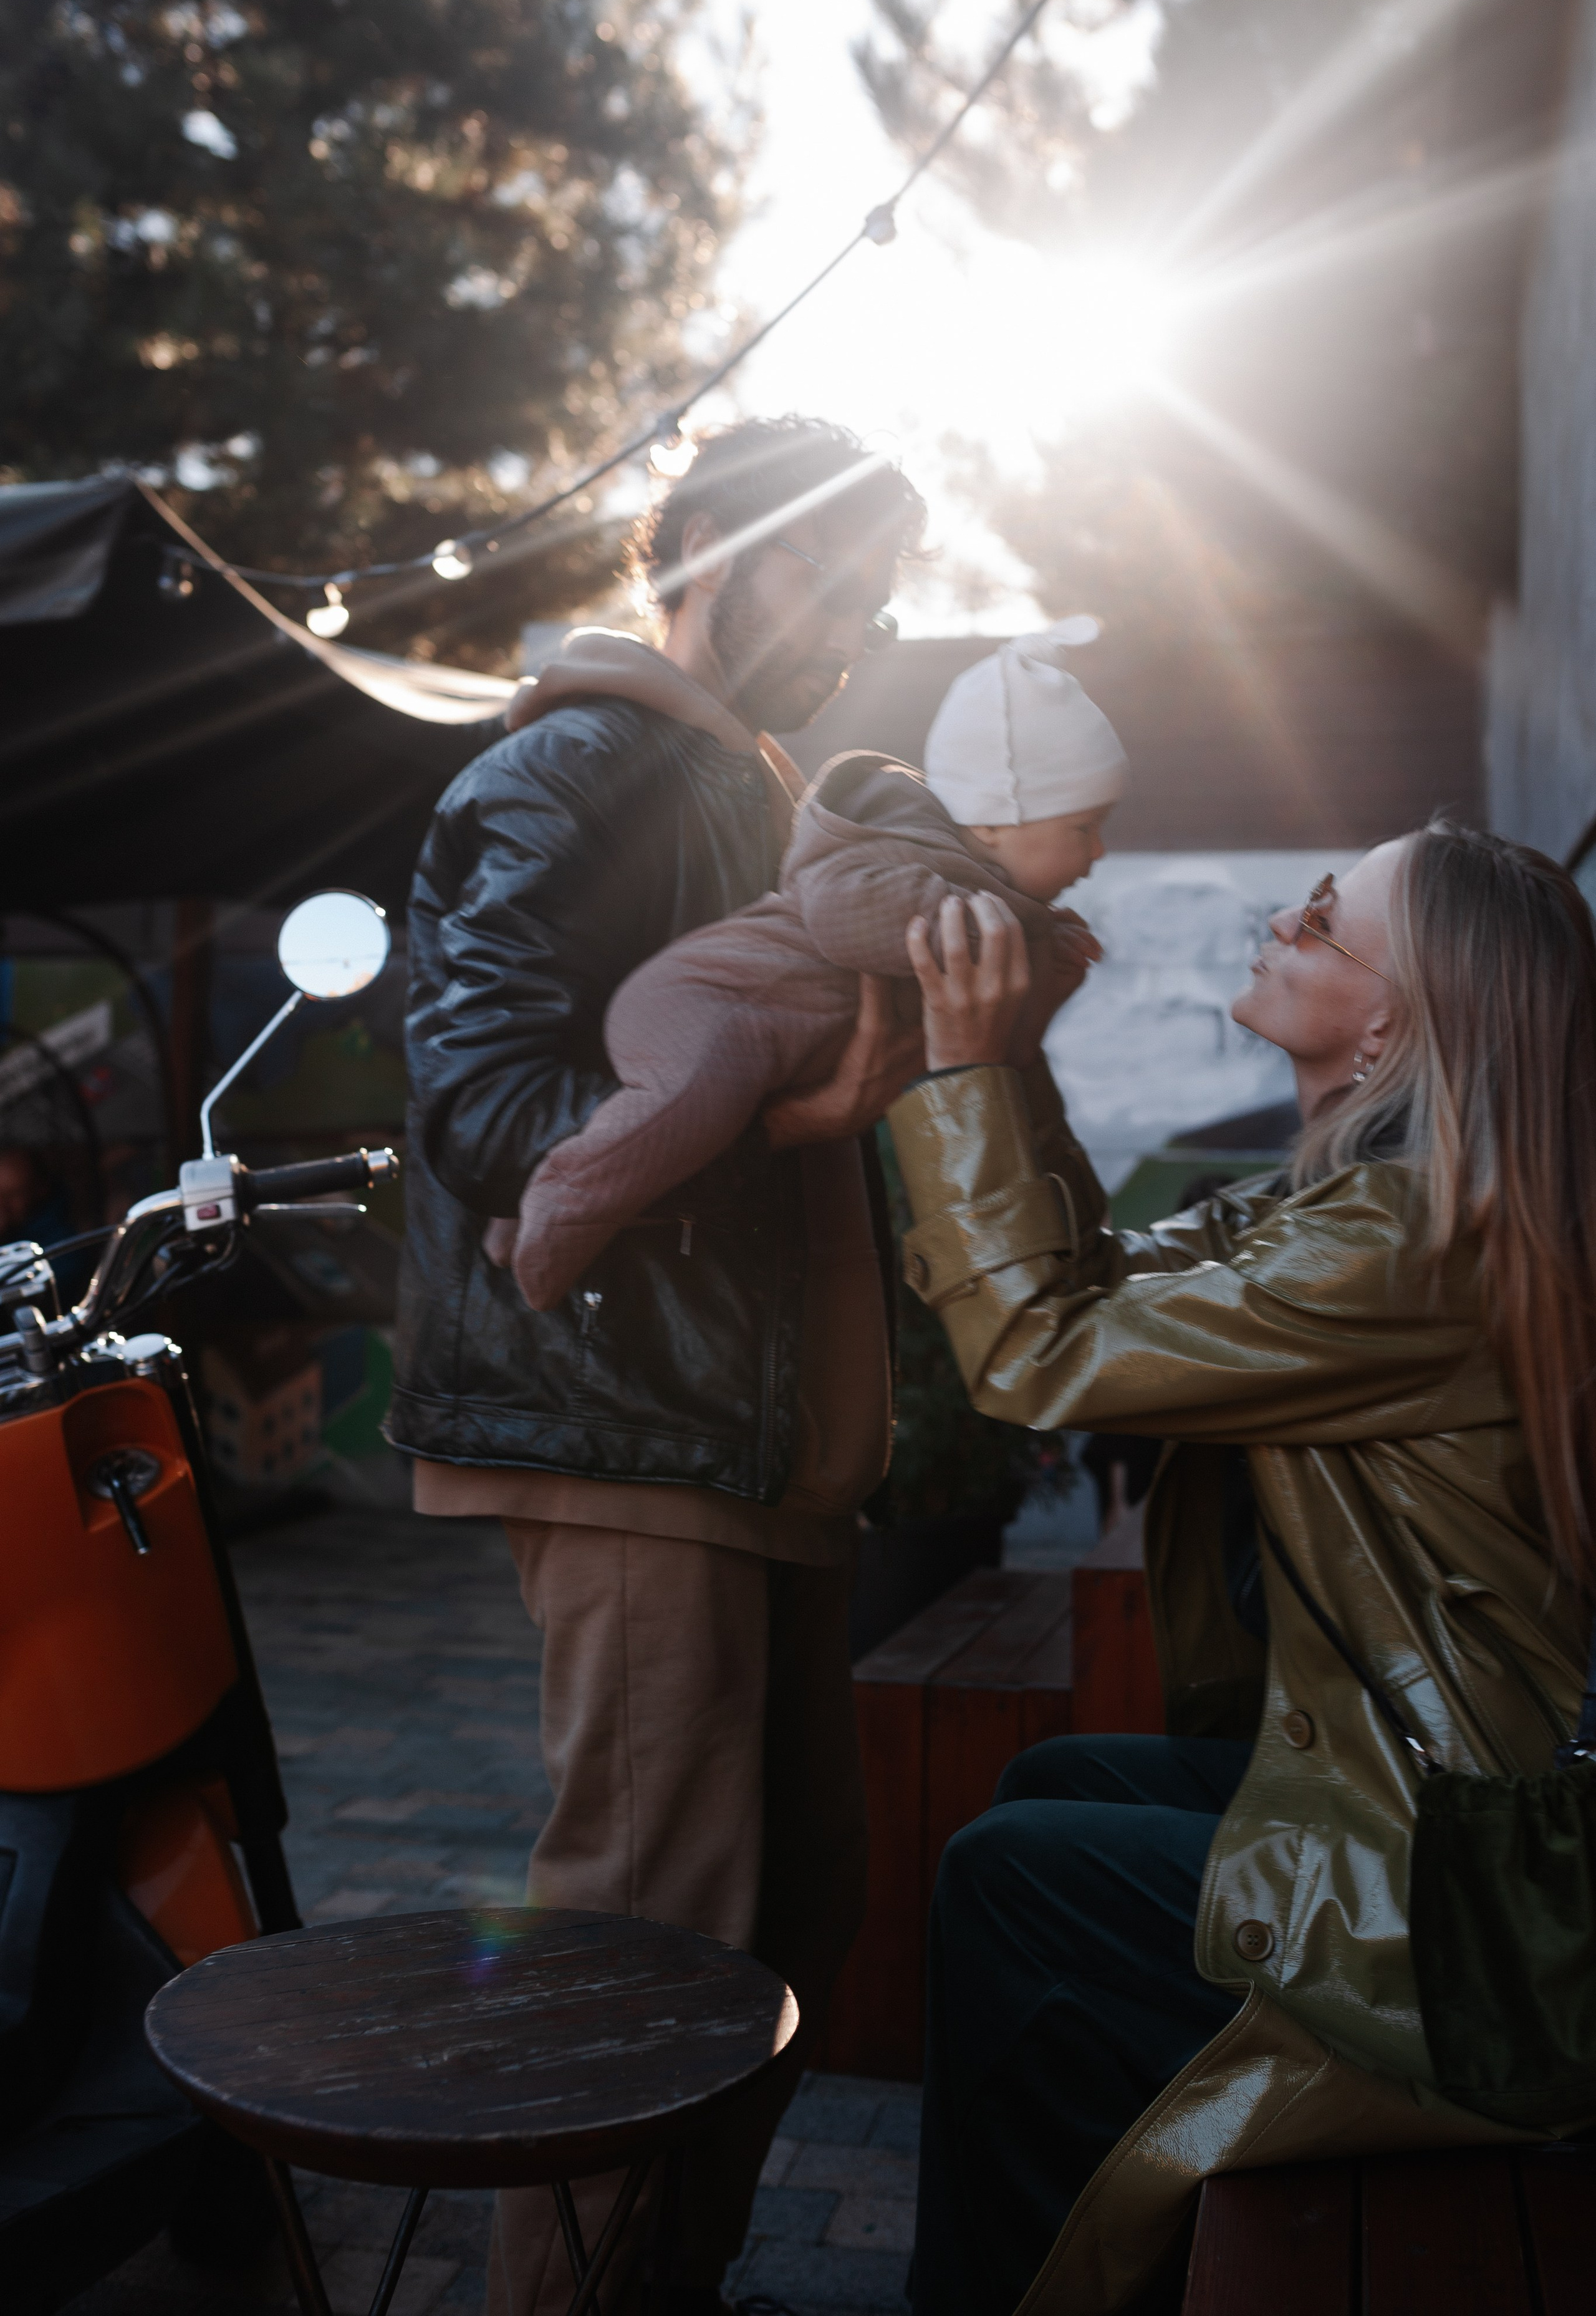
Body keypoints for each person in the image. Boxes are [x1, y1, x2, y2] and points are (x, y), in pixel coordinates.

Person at [885, 825, 1594, 2316]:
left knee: (1004, 1883)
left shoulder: (1411, 1238)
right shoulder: (1365, 1199)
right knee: (1044, 1788)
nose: (1282, 915)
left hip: (1485, 1911)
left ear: (1397, 1016)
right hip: (1445, 1808)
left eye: (1326, 918)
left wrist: (954, 1067)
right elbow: (1106, 1281)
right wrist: (1009, 1064)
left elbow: (1037, 1349)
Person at [390, 416, 931, 2316]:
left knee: (792, 1914)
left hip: (763, 1438)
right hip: (626, 1418)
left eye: (876, 595)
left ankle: (664, 2279)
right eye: (820, 575)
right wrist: (792, 1112)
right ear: (699, 542)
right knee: (649, 1925)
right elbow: (484, 1111)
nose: (850, 624)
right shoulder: (571, 770)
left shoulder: (762, 793)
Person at [491, 624, 1123, 1310]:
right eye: (1081, 828)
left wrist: (1040, 980)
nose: (1096, 854)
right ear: (997, 820)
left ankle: (512, 1210)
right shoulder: (897, 851)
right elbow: (843, 916)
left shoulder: (981, 892)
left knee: (670, 1127)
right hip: (709, 1006)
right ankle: (554, 1226)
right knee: (675, 1117)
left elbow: (988, 1057)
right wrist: (1002, 933)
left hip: (763, 1036)